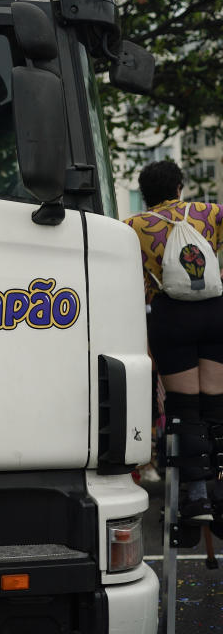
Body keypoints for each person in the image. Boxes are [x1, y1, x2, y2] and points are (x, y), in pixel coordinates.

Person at [124, 160, 223, 525]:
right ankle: (221, 491)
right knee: (217, 408)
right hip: (215, 311)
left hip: (171, 316)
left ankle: (195, 498)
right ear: (180, 187)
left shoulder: (133, 227)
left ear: (145, 193)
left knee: (184, 410)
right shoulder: (209, 213)